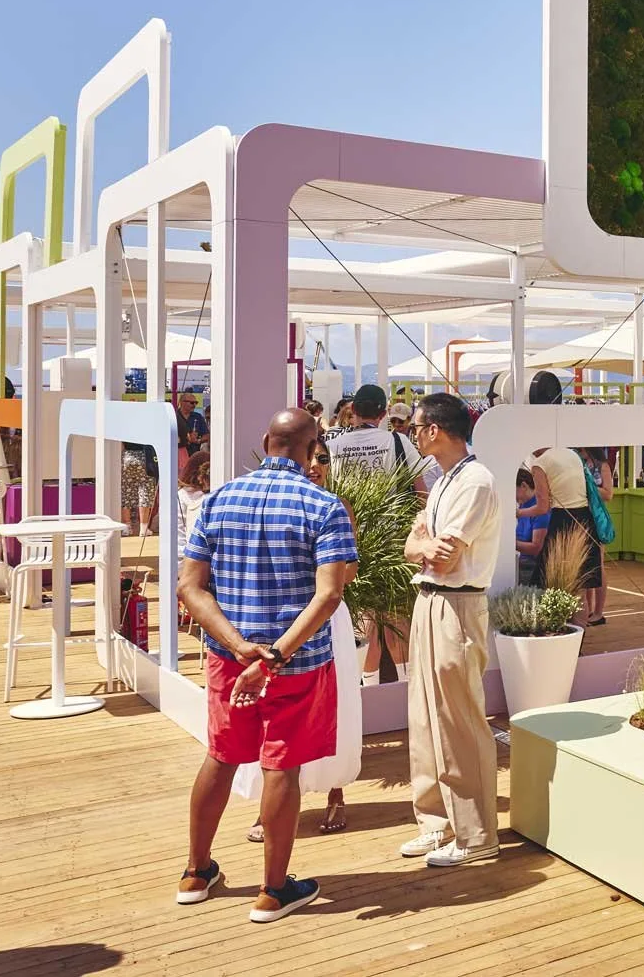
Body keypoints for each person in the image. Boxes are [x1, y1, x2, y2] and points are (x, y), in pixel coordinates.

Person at [175, 409, 356, 923]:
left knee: (220, 757)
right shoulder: (324, 507)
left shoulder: (218, 499)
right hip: (295, 664)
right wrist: (275, 655)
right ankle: (273, 890)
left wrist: (238, 646)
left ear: (264, 439)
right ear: (312, 447)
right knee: (282, 766)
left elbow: (190, 587)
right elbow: (329, 595)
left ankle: (196, 871)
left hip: (230, 661)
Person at [399, 392, 503, 869]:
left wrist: (423, 545)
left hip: (457, 605)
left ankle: (476, 831)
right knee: (424, 716)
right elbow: (414, 545)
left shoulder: (475, 482)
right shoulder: (446, 481)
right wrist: (424, 545)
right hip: (432, 601)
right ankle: (437, 822)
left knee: (458, 719)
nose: (414, 434)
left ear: (435, 430)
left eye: (417, 427)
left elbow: (445, 554)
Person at [237, 435, 358, 840]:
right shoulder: (275, 503)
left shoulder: (337, 508)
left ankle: (335, 791)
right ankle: (269, 803)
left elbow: (348, 574)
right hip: (277, 622)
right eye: (312, 457)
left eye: (323, 459)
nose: (316, 465)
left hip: (326, 619)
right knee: (271, 715)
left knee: (334, 704)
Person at [526, 371, 605, 626]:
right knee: (579, 586)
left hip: (563, 522)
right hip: (585, 520)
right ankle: (578, 637)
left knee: (551, 582)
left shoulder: (540, 462)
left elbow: (542, 506)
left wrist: (517, 514)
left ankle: (557, 632)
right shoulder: (571, 453)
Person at [328, 384, 425, 491]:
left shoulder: (331, 446)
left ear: (353, 409)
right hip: (392, 507)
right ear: (383, 414)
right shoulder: (400, 441)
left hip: (342, 508)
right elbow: (421, 492)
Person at [176, 393, 209, 461]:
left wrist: (197, 441)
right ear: (182, 402)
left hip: (194, 455)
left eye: (196, 403)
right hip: (178, 455)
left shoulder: (198, 417)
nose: (194, 405)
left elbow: (207, 435)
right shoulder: (174, 416)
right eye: (191, 403)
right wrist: (187, 438)